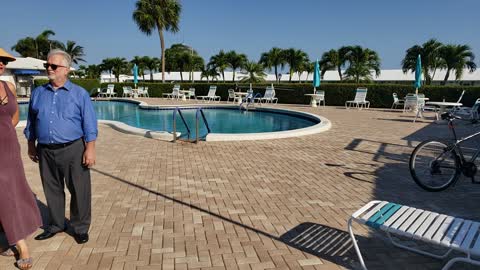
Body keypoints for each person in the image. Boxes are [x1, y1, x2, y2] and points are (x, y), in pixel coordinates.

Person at [24, 49, 98, 245]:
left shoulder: (79, 94)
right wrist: (31, 144)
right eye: (46, 65)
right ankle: (57, 224)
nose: (49, 68)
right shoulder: (38, 93)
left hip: (73, 148)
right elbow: (31, 121)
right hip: (45, 150)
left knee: (79, 190)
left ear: (66, 70)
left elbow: (89, 124)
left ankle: (80, 227)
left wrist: (90, 148)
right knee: (52, 189)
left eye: (53, 66)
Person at [0, 48, 42, 270]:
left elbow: (14, 116)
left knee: (12, 191)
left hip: (9, 148)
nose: (0, 63)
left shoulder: (8, 86)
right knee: (4, 193)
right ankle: (20, 243)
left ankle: (11, 240)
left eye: (3, 60)